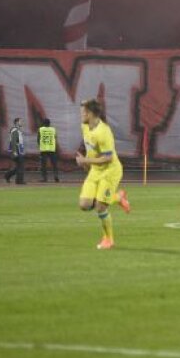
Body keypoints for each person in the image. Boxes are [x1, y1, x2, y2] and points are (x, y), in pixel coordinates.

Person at [75, 99, 131, 249]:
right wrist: (87, 165)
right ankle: (119, 197)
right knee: (84, 205)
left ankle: (109, 239)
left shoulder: (103, 132)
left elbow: (108, 158)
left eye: (83, 112)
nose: (81, 115)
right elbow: (90, 148)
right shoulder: (85, 126)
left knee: (100, 207)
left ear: (90, 113)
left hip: (110, 171)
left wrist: (85, 160)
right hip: (95, 170)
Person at [4, 118, 26, 185]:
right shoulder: (15, 130)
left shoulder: (18, 131)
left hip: (19, 150)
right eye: (20, 121)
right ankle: (19, 181)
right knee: (21, 166)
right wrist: (14, 152)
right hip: (16, 150)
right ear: (16, 122)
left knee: (18, 167)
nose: (21, 122)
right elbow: (13, 142)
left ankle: (7, 175)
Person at [37, 118, 60, 182]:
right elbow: (55, 138)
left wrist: (40, 146)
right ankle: (56, 176)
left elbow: (38, 140)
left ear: (43, 123)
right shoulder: (53, 130)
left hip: (43, 150)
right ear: (49, 123)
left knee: (43, 165)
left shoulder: (40, 129)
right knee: (54, 164)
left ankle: (44, 178)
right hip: (52, 149)